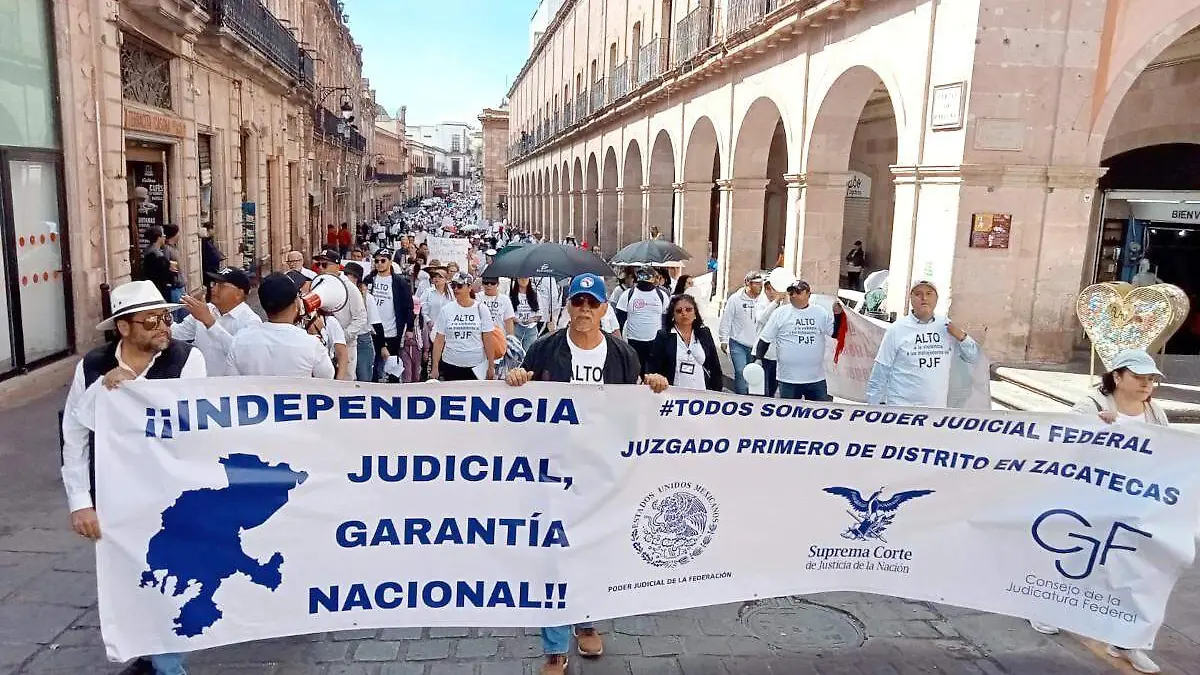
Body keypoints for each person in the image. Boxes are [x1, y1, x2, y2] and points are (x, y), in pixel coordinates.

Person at [504, 273, 667, 675]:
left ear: (604, 309)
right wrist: (517, 380)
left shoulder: (623, 354)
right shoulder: (543, 350)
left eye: (593, 304)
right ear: (568, 306)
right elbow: (519, 408)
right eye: (578, 303)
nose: (585, 311)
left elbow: (634, 406)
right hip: (553, 470)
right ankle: (555, 648)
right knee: (554, 557)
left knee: (592, 551)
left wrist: (654, 387)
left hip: (601, 470)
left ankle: (587, 621)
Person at [61, 280, 205, 675]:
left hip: (171, 497)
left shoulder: (187, 360)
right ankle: (152, 656)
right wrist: (81, 502)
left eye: (166, 318)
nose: (164, 328)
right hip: (115, 498)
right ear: (124, 327)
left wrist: (135, 393)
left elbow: (192, 428)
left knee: (172, 581)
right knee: (130, 579)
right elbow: (75, 434)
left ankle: (167, 665)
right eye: (151, 321)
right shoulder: (92, 365)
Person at [1027, 349, 1166, 674]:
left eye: (1151, 379)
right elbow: (1067, 441)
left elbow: (1166, 449)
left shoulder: (1155, 410)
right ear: (1117, 377)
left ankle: (1126, 640)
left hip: (1134, 500)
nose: (1147, 384)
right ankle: (1043, 607)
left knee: (1134, 566)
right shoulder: (1092, 405)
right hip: (1090, 498)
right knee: (1075, 556)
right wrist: (1093, 427)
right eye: (1139, 377)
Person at [866, 280, 979, 407]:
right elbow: (880, 372)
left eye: (929, 293)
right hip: (901, 410)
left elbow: (973, 357)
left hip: (935, 410)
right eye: (918, 294)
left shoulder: (946, 325)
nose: (924, 298)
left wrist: (962, 337)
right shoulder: (897, 329)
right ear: (911, 299)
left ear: (936, 298)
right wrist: (873, 408)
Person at [226, 272, 336, 378]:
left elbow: (232, 381)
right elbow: (327, 378)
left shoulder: (240, 340)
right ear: (296, 303)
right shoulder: (312, 345)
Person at [753, 279, 843, 401]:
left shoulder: (820, 313)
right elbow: (764, 339)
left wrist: (838, 315)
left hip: (815, 378)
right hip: (788, 378)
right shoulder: (780, 313)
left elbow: (835, 333)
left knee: (819, 414)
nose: (794, 295)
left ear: (808, 294)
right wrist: (758, 359)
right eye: (791, 293)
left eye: (798, 292)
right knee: (789, 415)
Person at [170, 267, 261, 376]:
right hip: (201, 383)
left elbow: (244, 356)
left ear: (239, 294)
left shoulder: (251, 321)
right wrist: (163, 317)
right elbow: (177, 333)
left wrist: (211, 323)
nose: (213, 289)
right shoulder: (206, 310)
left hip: (228, 388)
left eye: (222, 286)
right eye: (214, 283)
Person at [647, 294, 723, 391]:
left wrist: (717, 394)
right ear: (672, 315)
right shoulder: (664, 336)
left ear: (695, 313)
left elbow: (715, 367)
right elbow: (654, 367)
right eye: (679, 311)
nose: (684, 313)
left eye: (688, 309)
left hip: (702, 393)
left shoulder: (704, 333)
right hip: (673, 394)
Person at [313, 249, 368, 379]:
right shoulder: (318, 283)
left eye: (324, 265)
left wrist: (343, 337)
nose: (320, 268)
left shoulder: (350, 288)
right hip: (322, 344)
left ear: (337, 266)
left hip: (346, 345)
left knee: (345, 382)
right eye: (318, 264)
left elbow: (360, 318)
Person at [432, 272, 496, 381]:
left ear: (470, 287)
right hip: (451, 364)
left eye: (460, 286)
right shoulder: (446, 310)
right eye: (453, 286)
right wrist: (435, 366)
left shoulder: (481, 309)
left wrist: (491, 365)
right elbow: (439, 340)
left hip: (477, 365)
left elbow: (488, 339)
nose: (456, 289)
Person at [364, 249, 415, 382]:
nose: (379, 263)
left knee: (392, 366)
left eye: (383, 260)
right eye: (377, 261)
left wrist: (409, 328)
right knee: (373, 365)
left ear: (390, 262)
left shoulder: (400, 282)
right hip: (372, 331)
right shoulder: (369, 280)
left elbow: (408, 306)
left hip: (391, 330)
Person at [614, 266, 670, 373]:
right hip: (633, 342)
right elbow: (619, 322)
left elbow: (666, 321)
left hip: (655, 342)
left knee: (653, 374)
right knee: (635, 373)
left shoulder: (662, 296)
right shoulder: (627, 295)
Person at [718, 271, 764, 395]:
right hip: (738, 343)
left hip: (756, 345)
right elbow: (727, 319)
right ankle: (741, 399)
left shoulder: (763, 300)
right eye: (757, 284)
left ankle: (753, 399)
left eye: (761, 283)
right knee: (741, 372)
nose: (760, 286)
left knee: (754, 374)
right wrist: (723, 339)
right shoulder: (735, 299)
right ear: (748, 283)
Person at [343, 262, 384, 382]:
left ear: (356, 278)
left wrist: (382, 346)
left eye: (347, 275)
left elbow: (376, 323)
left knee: (363, 379)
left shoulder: (367, 298)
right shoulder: (339, 294)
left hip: (362, 340)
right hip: (344, 340)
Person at [755, 269, 791, 397]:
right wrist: (775, 302)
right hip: (762, 354)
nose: (770, 293)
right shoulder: (761, 303)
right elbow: (761, 319)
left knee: (771, 390)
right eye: (768, 290)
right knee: (761, 390)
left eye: (773, 289)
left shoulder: (784, 305)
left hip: (777, 355)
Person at [139, 226, 174, 302]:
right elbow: (161, 273)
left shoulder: (150, 252)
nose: (165, 237)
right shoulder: (155, 254)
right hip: (159, 290)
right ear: (158, 238)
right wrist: (169, 268)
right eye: (163, 235)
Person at [510, 277, 544, 350]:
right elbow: (508, 314)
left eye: (526, 277)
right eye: (521, 277)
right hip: (516, 327)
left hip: (531, 329)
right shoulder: (511, 294)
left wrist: (532, 320)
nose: (523, 280)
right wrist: (518, 320)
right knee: (515, 353)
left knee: (530, 353)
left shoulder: (535, 294)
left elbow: (540, 315)